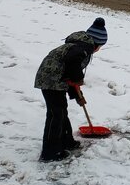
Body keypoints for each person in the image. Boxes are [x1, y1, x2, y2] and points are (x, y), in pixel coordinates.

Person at [34, 17, 108, 162]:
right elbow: (73, 63)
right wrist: (78, 79)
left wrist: (76, 93)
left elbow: (69, 71)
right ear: (97, 43)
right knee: (55, 114)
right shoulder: (84, 47)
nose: (99, 49)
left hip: (55, 78)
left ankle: (67, 141)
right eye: (100, 46)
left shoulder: (79, 44)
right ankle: (50, 153)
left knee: (61, 111)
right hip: (50, 79)